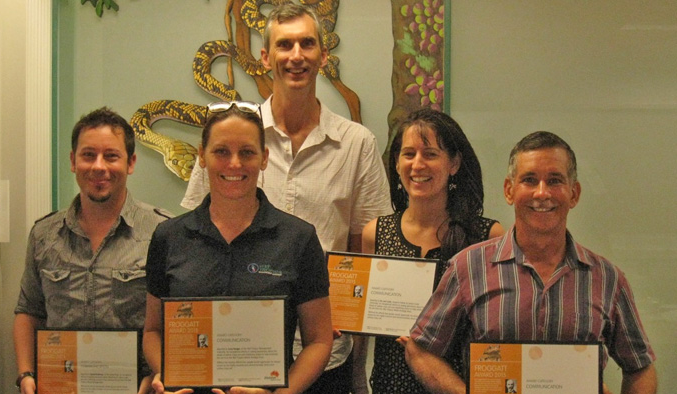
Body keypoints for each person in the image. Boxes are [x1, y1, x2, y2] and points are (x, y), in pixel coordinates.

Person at [182, 4, 391, 393]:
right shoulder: (231, 140)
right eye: (285, 45)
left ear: (323, 55)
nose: (296, 56)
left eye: (307, 44)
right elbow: (195, 233)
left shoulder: (357, 144)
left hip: (325, 353)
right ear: (265, 57)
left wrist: (351, 306)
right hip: (234, 350)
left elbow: (369, 243)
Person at [406, 131, 658, 394]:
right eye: (529, 180)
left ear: (574, 194)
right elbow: (420, 349)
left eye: (554, 180)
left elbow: (640, 367)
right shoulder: (468, 267)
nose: (542, 193)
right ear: (509, 190)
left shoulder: (607, 279)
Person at [143, 102, 333, 394]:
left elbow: (319, 341)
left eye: (247, 152)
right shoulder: (168, 236)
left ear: (264, 158)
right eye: (221, 151)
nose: (234, 164)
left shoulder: (299, 238)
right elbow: (153, 331)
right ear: (202, 156)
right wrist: (166, 374)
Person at [13, 107, 172, 394]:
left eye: (111, 156)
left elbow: (174, 321)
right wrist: (25, 373)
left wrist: (161, 373)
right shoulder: (43, 234)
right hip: (61, 385)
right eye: (88, 155)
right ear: (73, 161)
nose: (99, 166)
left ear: (131, 162)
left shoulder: (162, 232)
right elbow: (29, 310)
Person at [360, 108, 504, 394]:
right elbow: (363, 327)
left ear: (454, 163)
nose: (417, 164)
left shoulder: (487, 237)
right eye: (408, 153)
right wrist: (356, 380)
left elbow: (497, 327)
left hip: (459, 385)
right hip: (391, 384)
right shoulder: (375, 233)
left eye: (430, 154)